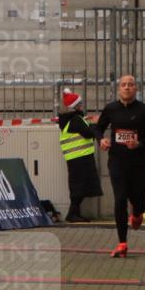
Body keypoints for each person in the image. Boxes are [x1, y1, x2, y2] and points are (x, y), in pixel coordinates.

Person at [93, 75, 145, 257]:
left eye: (130, 85)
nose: (127, 88)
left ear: (136, 89)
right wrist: (102, 140)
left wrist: (138, 144)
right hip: (117, 162)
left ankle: (137, 214)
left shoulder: (144, 111)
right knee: (120, 199)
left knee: (140, 202)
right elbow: (97, 129)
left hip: (138, 164)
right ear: (118, 89)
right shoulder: (111, 109)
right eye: (123, 85)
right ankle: (122, 243)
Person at [58, 89, 102, 222]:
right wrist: (94, 123)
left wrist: (87, 121)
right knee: (79, 187)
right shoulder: (75, 120)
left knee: (80, 186)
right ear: (75, 106)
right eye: (80, 103)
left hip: (78, 158)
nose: (82, 105)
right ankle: (72, 214)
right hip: (79, 158)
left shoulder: (74, 119)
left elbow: (83, 129)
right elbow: (88, 133)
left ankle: (74, 213)